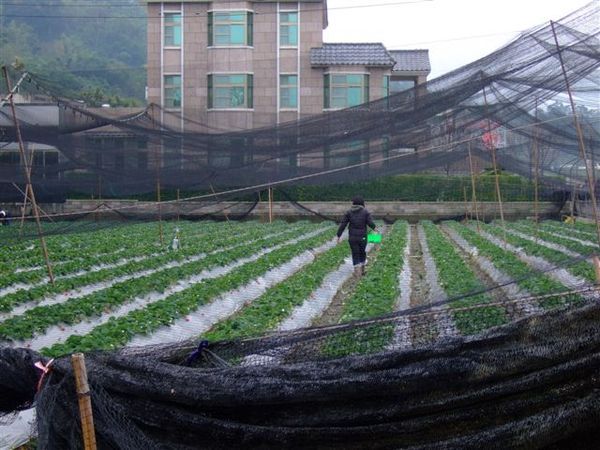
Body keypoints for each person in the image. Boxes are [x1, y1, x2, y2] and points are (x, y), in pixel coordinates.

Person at [336, 196, 376, 276]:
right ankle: (362, 270)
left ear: (353, 203)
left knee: (355, 253)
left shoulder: (349, 212)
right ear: (362, 203)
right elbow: (370, 223)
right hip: (363, 237)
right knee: (362, 252)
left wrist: (338, 235)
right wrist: (375, 229)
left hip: (352, 237)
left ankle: (357, 272)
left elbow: (343, 224)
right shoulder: (365, 212)